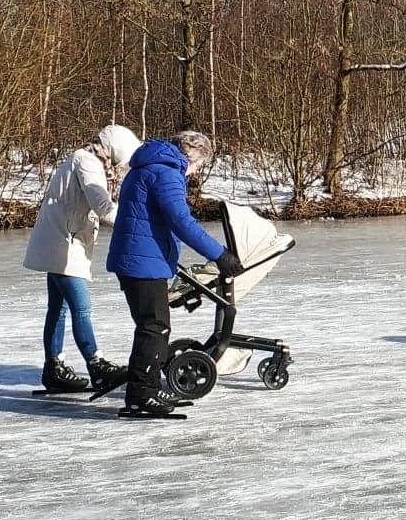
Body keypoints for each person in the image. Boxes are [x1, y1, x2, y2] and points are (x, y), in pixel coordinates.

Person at [106, 130, 243, 418]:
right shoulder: (166, 173)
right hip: (143, 263)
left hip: (138, 258)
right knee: (154, 327)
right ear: (192, 157)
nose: (196, 172)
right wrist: (219, 255)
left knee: (152, 326)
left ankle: (147, 388)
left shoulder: (147, 166)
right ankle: (141, 396)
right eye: (199, 165)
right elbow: (181, 221)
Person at [24, 124, 140, 393]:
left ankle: (54, 368)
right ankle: (97, 365)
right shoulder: (87, 162)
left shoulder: (85, 159)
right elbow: (102, 207)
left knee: (58, 308)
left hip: (64, 239)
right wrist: (136, 224)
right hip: (64, 244)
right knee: (81, 307)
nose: (121, 167)